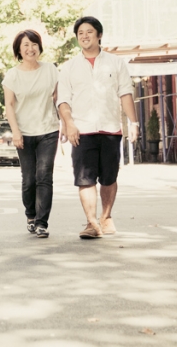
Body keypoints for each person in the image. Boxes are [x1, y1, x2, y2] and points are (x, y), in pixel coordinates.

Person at [57, 16, 139, 239]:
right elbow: (63, 101)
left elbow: (125, 93)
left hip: (111, 128)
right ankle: (91, 223)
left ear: (99, 35)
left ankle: (106, 216)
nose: (84, 36)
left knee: (109, 178)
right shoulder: (69, 68)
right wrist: (69, 124)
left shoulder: (116, 63)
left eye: (89, 32)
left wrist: (134, 122)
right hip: (82, 131)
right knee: (85, 179)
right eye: (80, 33)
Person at [3, 30, 60, 239]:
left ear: (39, 47)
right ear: (19, 49)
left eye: (34, 44)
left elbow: (58, 98)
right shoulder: (12, 75)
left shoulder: (51, 70)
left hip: (48, 130)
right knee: (29, 179)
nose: (30, 48)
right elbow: (9, 105)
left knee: (44, 176)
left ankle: (42, 222)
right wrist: (15, 131)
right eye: (25, 45)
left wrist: (66, 122)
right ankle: (30, 214)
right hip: (24, 133)